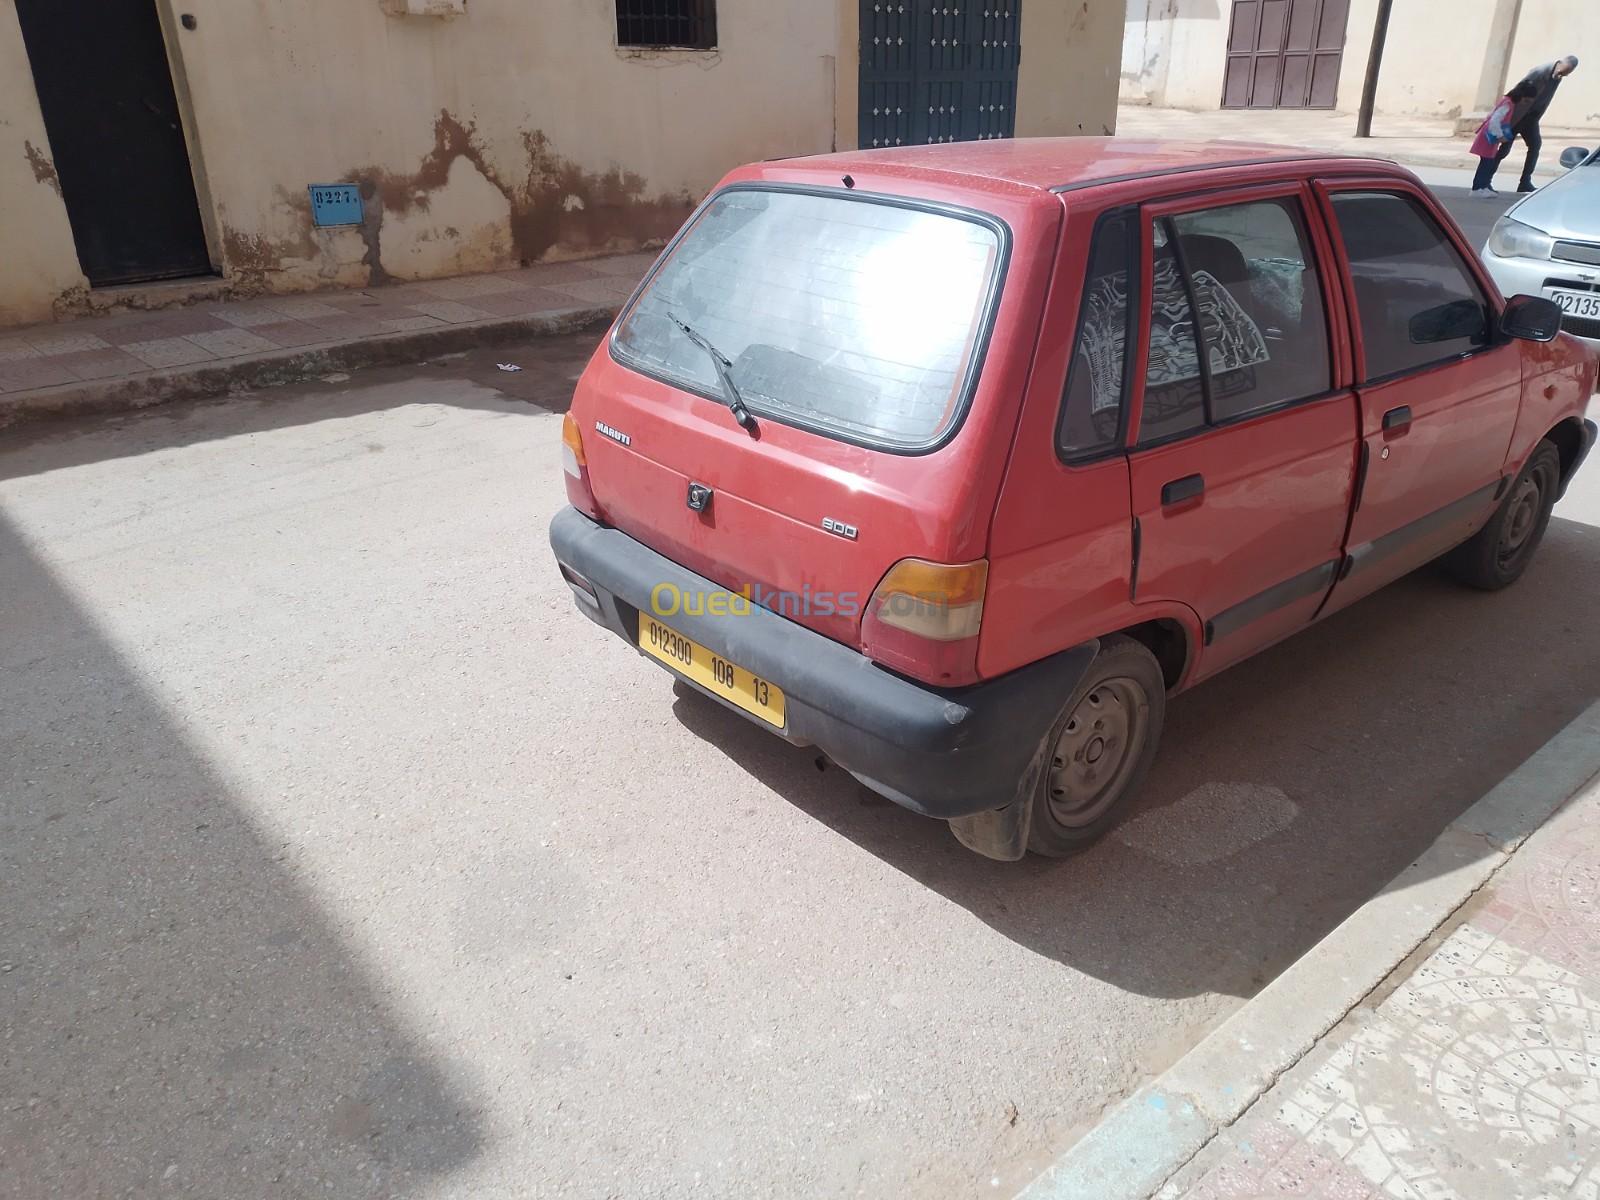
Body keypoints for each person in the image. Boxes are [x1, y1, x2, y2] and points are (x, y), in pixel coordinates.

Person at [1482, 55, 1580, 193]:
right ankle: (1485, 181)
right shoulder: (1540, 71)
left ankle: (1525, 182)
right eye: (1565, 71)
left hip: (1531, 119)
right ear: (1560, 63)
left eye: (1568, 73)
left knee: (1535, 146)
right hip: (1517, 117)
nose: (1564, 74)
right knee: (1503, 150)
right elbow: (1520, 87)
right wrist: (1507, 109)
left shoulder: (1558, 77)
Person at [1470, 81, 1539, 194]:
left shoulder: (1507, 102)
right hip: (1489, 136)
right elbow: (1495, 121)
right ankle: (1478, 188)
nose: (1524, 104)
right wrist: (1500, 135)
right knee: (1486, 163)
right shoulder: (1507, 104)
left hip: (1491, 136)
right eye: (1525, 100)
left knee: (1487, 162)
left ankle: (1482, 187)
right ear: (1521, 96)